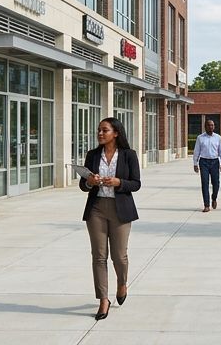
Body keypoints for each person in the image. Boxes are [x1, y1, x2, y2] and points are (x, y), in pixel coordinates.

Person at [79, 117, 141, 321]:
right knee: (99, 256)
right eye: (99, 130)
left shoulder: (129, 155)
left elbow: (136, 183)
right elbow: (83, 185)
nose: (100, 133)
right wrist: (90, 182)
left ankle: (122, 283)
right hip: (96, 208)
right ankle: (103, 299)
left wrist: (118, 182)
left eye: (104, 130)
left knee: (119, 256)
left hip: (120, 209)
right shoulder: (92, 155)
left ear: (116, 133)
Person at [192, 119, 221, 212]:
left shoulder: (218, 138)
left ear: (214, 127)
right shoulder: (200, 138)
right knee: (205, 183)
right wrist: (195, 163)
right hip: (204, 162)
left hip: (215, 162)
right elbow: (196, 151)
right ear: (205, 126)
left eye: (212, 125)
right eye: (209, 125)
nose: (210, 127)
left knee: (216, 183)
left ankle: (214, 198)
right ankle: (206, 205)